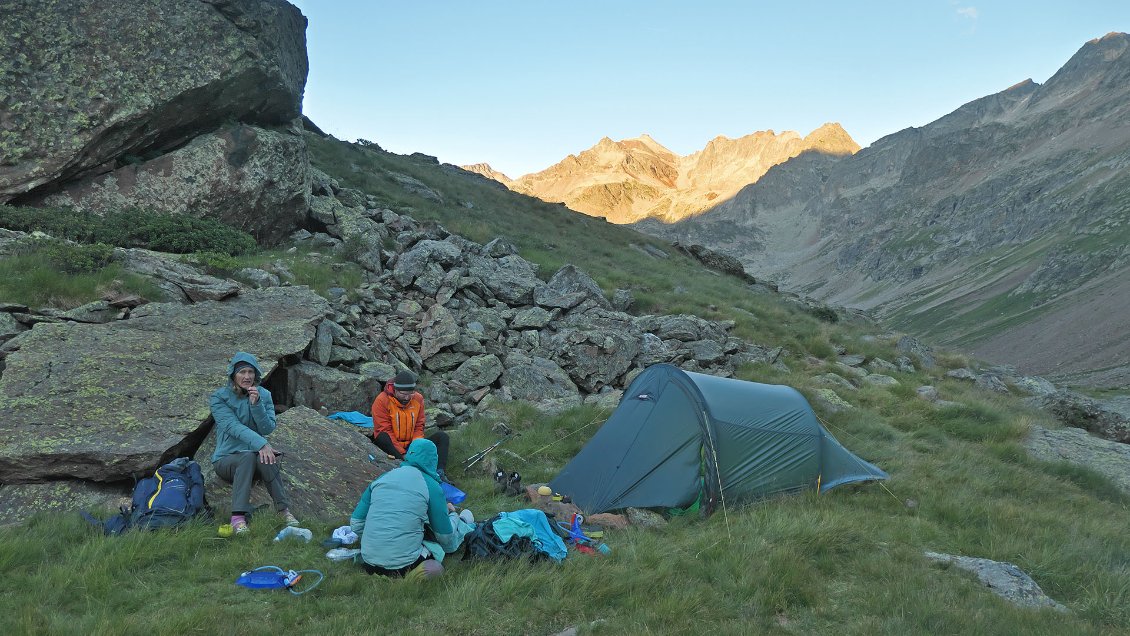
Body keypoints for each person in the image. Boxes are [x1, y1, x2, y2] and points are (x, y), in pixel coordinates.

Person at [209, 352, 298, 534]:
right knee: (248, 456)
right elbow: (232, 426)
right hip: (226, 460)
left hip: (254, 457)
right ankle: (237, 518)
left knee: (268, 458)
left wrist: (256, 404)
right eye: (242, 372)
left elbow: (267, 428)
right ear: (233, 374)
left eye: (251, 372)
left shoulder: (264, 395)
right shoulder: (219, 398)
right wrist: (262, 445)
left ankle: (283, 511)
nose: (247, 376)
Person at [350, 439, 465, 579]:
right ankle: (412, 577)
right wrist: (453, 515)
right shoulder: (432, 487)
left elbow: (356, 524)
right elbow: (445, 537)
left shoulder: (382, 478)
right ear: (433, 460)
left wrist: (378, 539)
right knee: (435, 565)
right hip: (404, 566)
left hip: (368, 563)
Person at [370, 369, 451, 482]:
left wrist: (416, 448)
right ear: (395, 390)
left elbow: (419, 426)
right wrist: (403, 455)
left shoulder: (418, 398)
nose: (407, 398)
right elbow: (385, 429)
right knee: (382, 436)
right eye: (403, 394)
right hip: (392, 445)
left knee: (442, 437)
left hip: (410, 444)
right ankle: (404, 463)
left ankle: (439, 472)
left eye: (410, 394)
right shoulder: (382, 401)